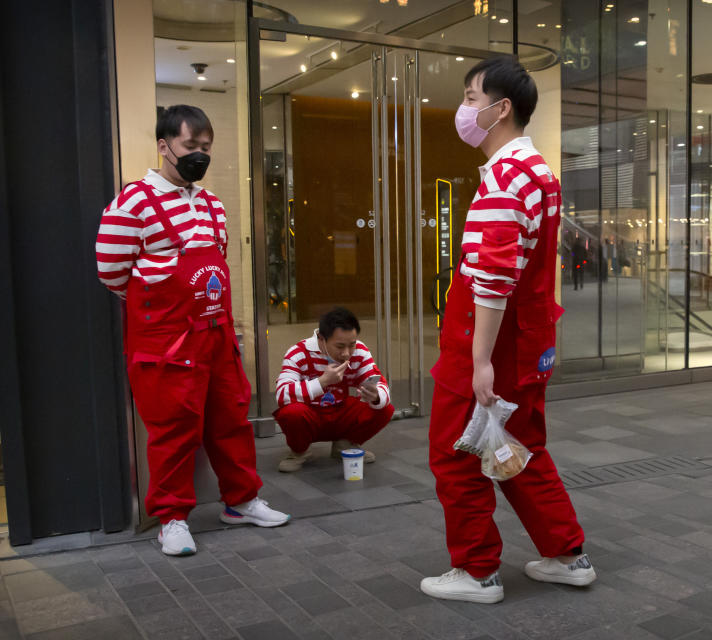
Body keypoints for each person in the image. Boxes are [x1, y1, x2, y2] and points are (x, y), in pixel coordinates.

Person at [420, 57, 595, 605]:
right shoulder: (539, 169)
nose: (465, 109)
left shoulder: (505, 174)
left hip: (491, 338)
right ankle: (567, 556)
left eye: (472, 98)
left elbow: (492, 277)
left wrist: (479, 362)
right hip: (530, 339)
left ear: (502, 109)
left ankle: (476, 572)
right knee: (520, 448)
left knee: (457, 452)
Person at [96, 105, 290, 557]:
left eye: (206, 148)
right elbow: (111, 272)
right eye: (190, 147)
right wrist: (162, 305)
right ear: (164, 147)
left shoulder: (212, 204)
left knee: (230, 419)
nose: (199, 156)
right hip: (164, 340)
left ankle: (240, 501)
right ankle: (172, 518)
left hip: (216, 333)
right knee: (173, 430)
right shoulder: (132, 202)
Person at [273, 307, 394, 472]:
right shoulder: (298, 353)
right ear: (322, 339)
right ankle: (299, 452)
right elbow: (282, 394)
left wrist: (376, 396)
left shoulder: (359, 350)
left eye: (351, 345)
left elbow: (381, 385)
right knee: (291, 413)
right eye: (339, 346)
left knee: (384, 408)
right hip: (310, 414)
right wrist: (322, 382)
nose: (346, 353)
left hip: (340, 413)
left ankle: (345, 445)